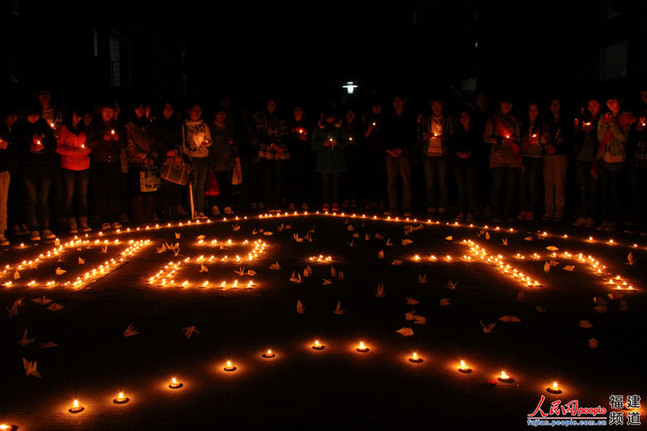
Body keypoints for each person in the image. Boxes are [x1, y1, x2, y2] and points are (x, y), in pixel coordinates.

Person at [14, 101, 58, 241]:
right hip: (27, 168)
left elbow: (53, 145)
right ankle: (34, 228)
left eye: (36, 115)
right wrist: (28, 148)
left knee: (43, 200)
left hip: (44, 167)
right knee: (32, 199)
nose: (34, 117)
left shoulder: (43, 125)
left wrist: (43, 147)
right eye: (31, 115)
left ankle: (45, 227)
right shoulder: (19, 127)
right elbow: (14, 147)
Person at [594, 95, 636, 232]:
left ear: (620, 102)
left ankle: (614, 220)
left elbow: (623, 137)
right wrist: (605, 122)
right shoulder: (605, 116)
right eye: (608, 101)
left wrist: (612, 123)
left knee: (615, 191)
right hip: (604, 157)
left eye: (613, 101)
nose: (610, 103)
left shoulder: (626, 117)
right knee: (605, 191)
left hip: (617, 158)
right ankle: (606, 218)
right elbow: (600, 137)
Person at [86, 101, 127, 231]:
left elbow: (124, 145)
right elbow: (90, 144)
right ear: (101, 112)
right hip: (99, 162)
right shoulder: (95, 126)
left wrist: (117, 139)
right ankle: (104, 219)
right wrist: (103, 139)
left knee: (114, 191)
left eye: (111, 112)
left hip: (114, 162)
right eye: (106, 111)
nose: (108, 114)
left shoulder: (118, 125)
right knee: (101, 192)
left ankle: (115, 217)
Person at [483, 96, 522, 222]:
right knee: (497, 185)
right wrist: (500, 140)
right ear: (500, 103)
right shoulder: (494, 120)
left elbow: (518, 137)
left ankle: (507, 213)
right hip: (498, 156)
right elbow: (486, 137)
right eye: (505, 102)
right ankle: (496, 213)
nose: (508, 105)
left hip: (511, 156)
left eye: (510, 103)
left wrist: (514, 140)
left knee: (510, 186)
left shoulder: (513, 120)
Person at [56, 107, 92, 233]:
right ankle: (72, 222)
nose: (76, 119)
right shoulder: (63, 129)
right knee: (69, 195)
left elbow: (90, 145)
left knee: (83, 195)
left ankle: (83, 221)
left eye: (78, 116)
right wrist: (72, 151)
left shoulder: (84, 129)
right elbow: (58, 148)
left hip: (84, 165)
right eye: (74, 116)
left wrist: (85, 150)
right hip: (68, 166)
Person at [124, 101, 159, 225]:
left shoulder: (148, 125)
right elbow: (130, 145)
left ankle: (148, 216)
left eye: (143, 107)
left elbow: (154, 141)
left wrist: (153, 156)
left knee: (151, 189)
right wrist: (143, 156)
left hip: (150, 161)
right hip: (136, 162)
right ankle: (139, 219)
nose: (141, 110)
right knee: (137, 190)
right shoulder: (129, 126)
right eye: (138, 107)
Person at [418, 96, 454, 216]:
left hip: (442, 153)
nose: (436, 107)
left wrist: (444, 137)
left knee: (443, 182)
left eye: (438, 105)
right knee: (430, 182)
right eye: (434, 105)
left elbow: (452, 135)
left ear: (442, 106)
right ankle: (431, 205)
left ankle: (442, 205)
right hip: (428, 153)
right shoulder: (426, 119)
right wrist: (425, 137)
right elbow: (419, 134)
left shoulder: (447, 119)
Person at [253, 97, 289, 212]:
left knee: (278, 178)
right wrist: (274, 146)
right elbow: (261, 134)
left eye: (274, 104)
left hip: (279, 151)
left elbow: (284, 134)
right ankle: (267, 201)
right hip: (267, 151)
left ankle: (276, 202)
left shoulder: (280, 118)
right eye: (270, 104)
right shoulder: (262, 118)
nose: (272, 106)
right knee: (267, 178)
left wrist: (281, 148)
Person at [310, 105, 349, 212]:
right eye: (328, 117)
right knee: (325, 182)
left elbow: (346, 141)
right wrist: (323, 144)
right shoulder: (320, 127)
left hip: (337, 159)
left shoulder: (340, 126)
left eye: (331, 117)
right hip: (324, 160)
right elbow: (313, 143)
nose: (330, 120)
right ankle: (326, 202)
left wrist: (338, 143)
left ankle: (335, 202)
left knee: (336, 181)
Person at [383, 94, 416, 217]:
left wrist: (401, 149)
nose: (397, 103)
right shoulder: (389, 116)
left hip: (403, 152)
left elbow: (412, 135)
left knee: (406, 180)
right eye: (395, 101)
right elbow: (384, 133)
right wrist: (388, 149)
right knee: (391, 181)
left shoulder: (409, 117)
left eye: (399, 101)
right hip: (390, 152)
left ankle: (406, 208)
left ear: (403, 101)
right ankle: (393, 207)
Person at [151, 101, 184, 222]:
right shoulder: (157, 124)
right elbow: (156, 139)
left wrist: (175, 150)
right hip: (163, 157)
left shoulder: (177, 123)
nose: (168, 111)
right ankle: (166, 212)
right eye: (166, 108)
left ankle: (174, 211)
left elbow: (180, 138)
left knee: (175, 185)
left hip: (175, 157)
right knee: (165, 186)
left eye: (171, 108)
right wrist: (167, 151)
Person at [541, 98, 573, 222]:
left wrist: (557, 148)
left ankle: (559, 210)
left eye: (557, 104)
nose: (554, 107)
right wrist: (545, 145)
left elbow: (570, 139)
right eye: (552, 104)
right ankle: (548, 210)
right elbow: (542, 136)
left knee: (559, 183)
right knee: (548, 183)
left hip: (560, 155)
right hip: (547, 155)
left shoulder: (566, 122)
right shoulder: (546, 121)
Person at [572, 97, 601, 228]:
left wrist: (593, 132)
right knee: (583, 188)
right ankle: (583, 214)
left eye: (595, 106)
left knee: (593, 189)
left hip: (594, 158)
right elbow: (577, 139)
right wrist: (579, 130)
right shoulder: (585, 119)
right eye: (590, 106)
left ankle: (592, 216)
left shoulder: (602, 119)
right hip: (581, 158)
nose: (592, 108)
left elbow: (600, 139)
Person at [181, 102, 212, 220]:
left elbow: (210, 140)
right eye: (195, 110)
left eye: (199, 110)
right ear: (189, 111)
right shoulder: (185, 125)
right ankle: (192, 209)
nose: (197, 113)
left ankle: (200, 209)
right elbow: (184, 142)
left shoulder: (204, 125)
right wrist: (187, 156)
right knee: (192, 184)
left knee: (201, 185)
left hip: (204, 157)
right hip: (192, 157)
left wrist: (206, 143)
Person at [450, 107, 480, 222]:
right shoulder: (457, 131)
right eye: (462, 116)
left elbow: (478, 146)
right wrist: (458, 154)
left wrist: (470, 154)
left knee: (470, 187)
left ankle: (470, 211)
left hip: (471, 163)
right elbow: (452, 146)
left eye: (466, 116)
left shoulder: (475, 131)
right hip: (459, 163)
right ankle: (461, 211)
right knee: (461, 188)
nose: (464, 119)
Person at [517, 102, 545, 221]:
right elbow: (517, 139)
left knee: (533, 183)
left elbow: (544, 141)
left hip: (536, 156)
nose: (533, 113)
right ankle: (523, 208)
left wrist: (542, 139)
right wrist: (525, 140)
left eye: (535, 110)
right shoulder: (522, 124)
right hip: (524, 155)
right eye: (531, 110)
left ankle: (531, 209)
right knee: (523, 184)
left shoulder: (541, 125)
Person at [209, 104, 236, 216]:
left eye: (224, 114)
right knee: (215, 183)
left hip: (226, 160)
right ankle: (214, 205)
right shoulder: (211, 128)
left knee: (226, 184)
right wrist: (211, 160)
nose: (222, 116)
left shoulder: (228, 127)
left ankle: (226, 205)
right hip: (216, 159)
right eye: (220, 113)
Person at [627, 88, 647, 235]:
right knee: (636, 193)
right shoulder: (639, 112)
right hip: (636, 157)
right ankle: (637, 222)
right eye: (642, 95)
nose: (644, 98)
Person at [286, 104, 312, 211]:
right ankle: (292, 201)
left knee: (303, 178)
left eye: (300, 110)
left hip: (303, 155)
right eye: (296, 110)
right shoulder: (289, 124)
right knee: (292, 178)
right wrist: (296, 137)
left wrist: (306, 139)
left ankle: (303, 201)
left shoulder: (306, 124)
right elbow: (286, 137)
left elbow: (311, 139)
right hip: (292, 155)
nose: (298, 112)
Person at [362, 98, 387, 210]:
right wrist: (369, 130)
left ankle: (383, 200)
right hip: (371, 151)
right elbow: (364, 136)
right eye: (374, 107)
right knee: (372, 177)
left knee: (382, 177)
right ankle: (373, 200)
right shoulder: (367, 119)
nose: (376, 109)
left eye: (378, 106)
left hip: (382, 151)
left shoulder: (385, 119)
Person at [0, 110, 16, 246]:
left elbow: (13, 148)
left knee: (2, 203)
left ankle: (1, 232)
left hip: (3, 169)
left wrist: (7, 146)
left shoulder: (5, 131)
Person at [342, 106, 363, 209]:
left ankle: (354, 198)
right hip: (345, 155)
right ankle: (346, 198)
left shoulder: (358, 126)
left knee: (354, 177)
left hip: (355, 155)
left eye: (352, 114)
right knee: (346, 177)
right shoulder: (343, 126)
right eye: (348, 114)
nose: (350, 116)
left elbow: (362, 139)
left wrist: (356, 141)